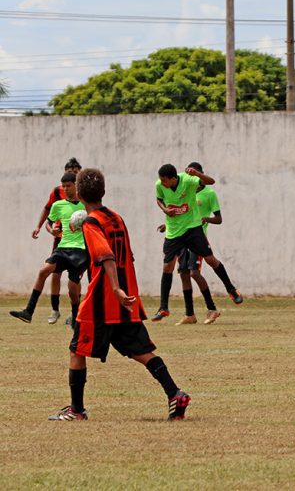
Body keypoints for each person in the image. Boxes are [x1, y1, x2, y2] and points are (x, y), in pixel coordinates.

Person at [48, 168, 191, 421]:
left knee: (76, 349)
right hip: (127, 300)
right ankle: (175, 394)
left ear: (79, 194)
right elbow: (126, 254)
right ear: (104, 191)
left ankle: (77, 411)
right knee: (140, 351)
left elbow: (107, 257)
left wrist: (114, 288)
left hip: (104, 300)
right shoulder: (116, 217)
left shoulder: (91, 222)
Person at [152, 164, 242, 322]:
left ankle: (231, 290)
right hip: (173, 232)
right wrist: (165, 210)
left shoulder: (189, 181)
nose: (162, 183)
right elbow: (159, 199)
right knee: (170, 268)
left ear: (173, 179)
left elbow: (211, 181)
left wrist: (197, 174)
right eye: (161, 180)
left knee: (210, 260)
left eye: (165, 180)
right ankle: (164, 307)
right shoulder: (160, 184)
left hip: (193, 228)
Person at [10, 172, 87, 325]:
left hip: (80, 250)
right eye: (63, 186)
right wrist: (51, 230)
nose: (65, 189)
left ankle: (76, 319)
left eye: (68, 186)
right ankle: (29, 311)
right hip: (63, 247)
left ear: (76, 185)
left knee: (72, 291)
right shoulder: (58, 205)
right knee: (43, 271)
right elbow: (49, 222)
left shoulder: (86, 205)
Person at [160, 162, 223, 326]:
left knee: (194, 272)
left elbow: (218, 219)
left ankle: (212, 308)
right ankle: (190, 314)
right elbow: (182, 212)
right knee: (183, 273)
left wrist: (205, 219)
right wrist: (167, 225)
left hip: (196, 236)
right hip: (180, 236)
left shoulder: (208, 193)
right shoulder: (186, 190)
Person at [29, 157, 82, 324]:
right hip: (61, 239)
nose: (72, 175)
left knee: (75, 282)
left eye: (75, 173)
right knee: (53, 272)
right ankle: (55, 309)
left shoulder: (85, 195)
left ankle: (77, 314)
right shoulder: (58, 193)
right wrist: (41, 226)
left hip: (81, 244)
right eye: (69, 172)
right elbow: (48, 210)